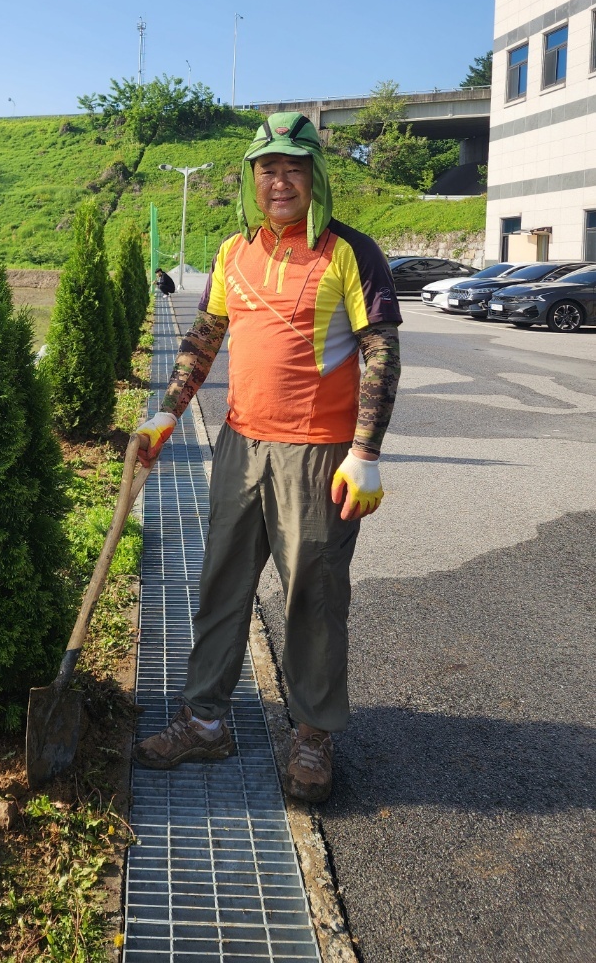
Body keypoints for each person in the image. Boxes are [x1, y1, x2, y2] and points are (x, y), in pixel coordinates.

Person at [133, 112, 401, 802]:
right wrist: (167, 411)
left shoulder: (350, 252)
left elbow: (380, 349)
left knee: (314, 593)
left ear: (316, 177)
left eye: (294, 168)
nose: (280, 182)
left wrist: (365, 451)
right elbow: (205, 335)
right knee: (221, 583)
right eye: (268, 169)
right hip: (239, 443)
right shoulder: (233, 252)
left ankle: (312, 733)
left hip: (318, 455)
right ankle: (204, 721)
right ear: (252, 180)